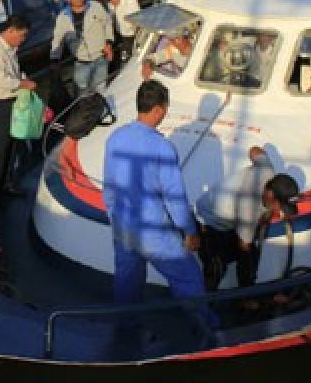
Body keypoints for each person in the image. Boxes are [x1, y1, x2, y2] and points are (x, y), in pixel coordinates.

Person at [102, 79, 213, 322]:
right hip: (153, 230)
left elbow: (109, 185)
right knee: (188, 277)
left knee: (127, 280)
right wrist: (190, 231)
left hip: (123, 224)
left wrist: (112, 214)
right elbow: (175, 197)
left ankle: (124, 327)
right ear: (158, 110)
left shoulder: (115, 138)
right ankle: (207, 329)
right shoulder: (163, 147)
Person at [196, 147, 292, 291]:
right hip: (209, 220)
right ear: (271, 195)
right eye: (280, 206)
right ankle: (206, 300)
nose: (281, 212)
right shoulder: (248, 209)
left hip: (230, 211)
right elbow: (244, 246)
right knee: (218, 266)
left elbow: (254, 151)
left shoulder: (266, 170)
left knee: (248, 249)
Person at [0, 15, 36, 195]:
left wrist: (24, 79)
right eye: (21, 35)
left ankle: (5, 184)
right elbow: (1, 80)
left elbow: (15, 72)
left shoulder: (10, 50)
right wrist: (22, 84)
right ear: (10, 31)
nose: (23, 40)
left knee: (11, 146)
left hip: (12, 103)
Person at [51, 0, 114, 95]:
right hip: (81, 62)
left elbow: (108, 22)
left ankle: (102, 111)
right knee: (83, 94)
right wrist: (55, 59)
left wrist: (109, 43)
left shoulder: (95, 6)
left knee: (101, 90)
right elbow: (57, 39)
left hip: (100, 57)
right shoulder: (62, 17)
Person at [100, 0, 140, 65]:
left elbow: (136, 15)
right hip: (119, 32)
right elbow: (111, 9)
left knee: (127, 63)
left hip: (129, 35)